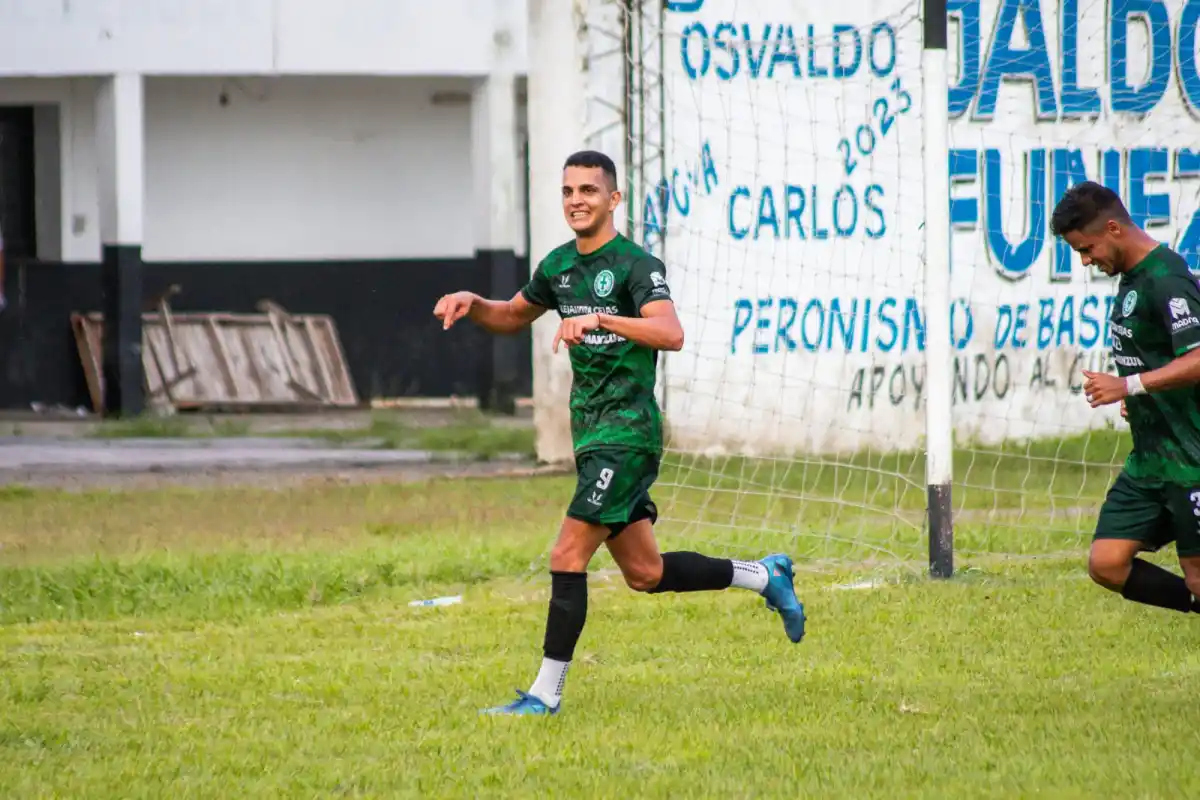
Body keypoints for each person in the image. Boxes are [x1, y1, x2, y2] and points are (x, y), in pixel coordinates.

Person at [433, 150, 806, 716]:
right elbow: (512, 315)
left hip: (628, 435)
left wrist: (601, 318)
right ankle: (764, 575)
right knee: (645, 574)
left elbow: (670, 332)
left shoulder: (636, 265)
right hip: (591, 436)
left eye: (588, 190)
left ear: (613, 198)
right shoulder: (558, 265)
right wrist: (475, 302)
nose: (576, 200)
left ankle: (543, 696)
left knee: (566, 553)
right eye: (567, 191)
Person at [1050, 180, 1200, 615]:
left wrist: (1130, 386)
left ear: (1113, 228)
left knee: (1197, 577)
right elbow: (1161, 358)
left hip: (1190, 460)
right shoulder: (1133, 277)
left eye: (1087, 247)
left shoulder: (1166, 278)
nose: (1085, 260)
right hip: (1151, 460)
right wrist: (1139, 396)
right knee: (1107, 562)